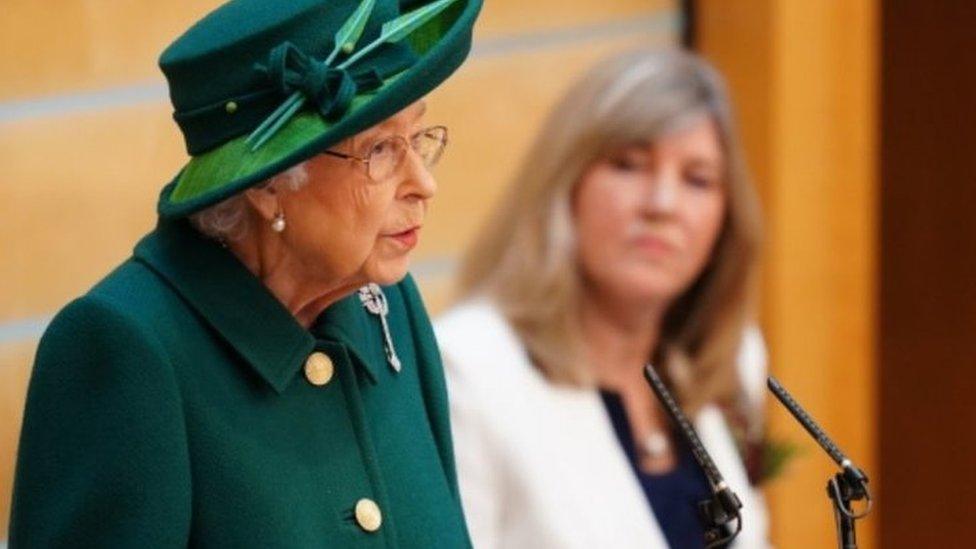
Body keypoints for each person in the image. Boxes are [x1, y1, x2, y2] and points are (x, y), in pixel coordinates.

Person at [9, 0, 482, 546]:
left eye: (417, 137)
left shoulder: (387, 305)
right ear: (266, 184)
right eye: (379, 149)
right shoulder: (127, 350)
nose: (424, 183)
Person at [435, 49, 770, 548]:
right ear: (563, 184)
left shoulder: (732, 362)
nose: (662, 205)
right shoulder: (468, 367)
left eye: (697, 180)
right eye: (628, 165)